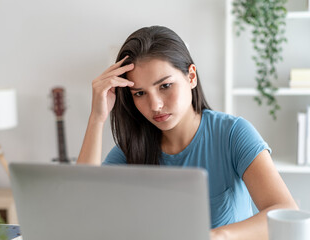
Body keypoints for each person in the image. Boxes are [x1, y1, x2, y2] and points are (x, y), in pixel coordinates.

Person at [77, 25, 298, 240]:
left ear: (191, 77)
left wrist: (215, 236)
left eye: (165, 86)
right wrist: (97, 118)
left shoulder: (233, 134)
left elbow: (285, 212)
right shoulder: (131, 149)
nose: (155, 105)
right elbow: (81, 209)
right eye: (140, 93)